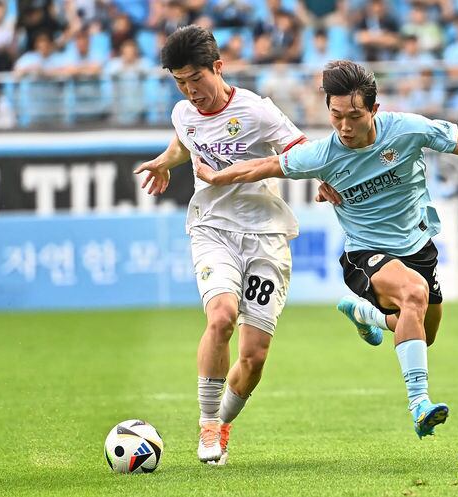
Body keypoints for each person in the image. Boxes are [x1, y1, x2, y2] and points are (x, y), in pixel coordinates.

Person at [193, 60, 458, 439]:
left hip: (417, 247)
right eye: (336, 116)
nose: (345, 127)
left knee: (423, 332)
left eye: (355, 116)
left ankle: (368, 315)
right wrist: (215, 176)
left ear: (375, 109)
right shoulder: (322, 154)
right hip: (364, 254)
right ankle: (420, 404)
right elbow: (261, 166)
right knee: (413, 293)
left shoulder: (408, 130)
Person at [133, 26, 341, 465]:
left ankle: (224, 423)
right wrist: (166, 161)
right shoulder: (183, 112)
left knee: (254, 356)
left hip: (265, 235)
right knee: (222, 316)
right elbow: (185, 140)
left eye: (196, 79)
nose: (191, 91)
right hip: (212, 229)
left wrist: (322, 179)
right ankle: (208, 423)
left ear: (218, 67)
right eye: (180, 82)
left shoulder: (257, 111)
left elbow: (300, 147)